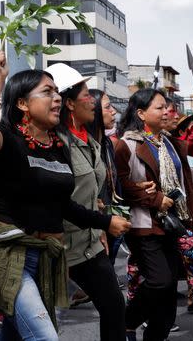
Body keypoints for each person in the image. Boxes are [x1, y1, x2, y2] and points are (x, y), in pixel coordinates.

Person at [0, 51, 130, 341]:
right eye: (47, 92)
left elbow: (62, 205)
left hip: (42, 257)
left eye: (57, 91)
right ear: (22, 104)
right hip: (9, 254)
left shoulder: (56, 145)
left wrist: (105, 222)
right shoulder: (8, 140)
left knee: (14, 334)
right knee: (43, 336)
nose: (57, 97)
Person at [115, 88, 193, 341]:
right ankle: (128, 320)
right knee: (160, 282)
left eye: (166, 106)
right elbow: (119, 185)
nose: (166, 110)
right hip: (144, 224)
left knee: (167, 294)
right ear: (141, 113)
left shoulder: (168, 142)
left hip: (172, 222)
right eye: (159, 107)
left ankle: (156, 334)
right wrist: (155, 198)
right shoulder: (128, 145)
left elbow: (183, 177)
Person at [48, 64, 126, 341]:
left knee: (115, 306)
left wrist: (100, 228)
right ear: (68, 103)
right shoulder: (56, 144)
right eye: (85, 93)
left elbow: (91, 192)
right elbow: (59, 201)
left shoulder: (91, 141)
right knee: (41, 326)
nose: (92, 100)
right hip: (61, 247)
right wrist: (103, 222)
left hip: (90, 243)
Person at [86, 89, 124, 264]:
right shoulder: (84, 145)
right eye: (108, 107)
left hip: (114, 213)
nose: (114, 111)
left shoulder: (107, 143)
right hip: (96, 219)